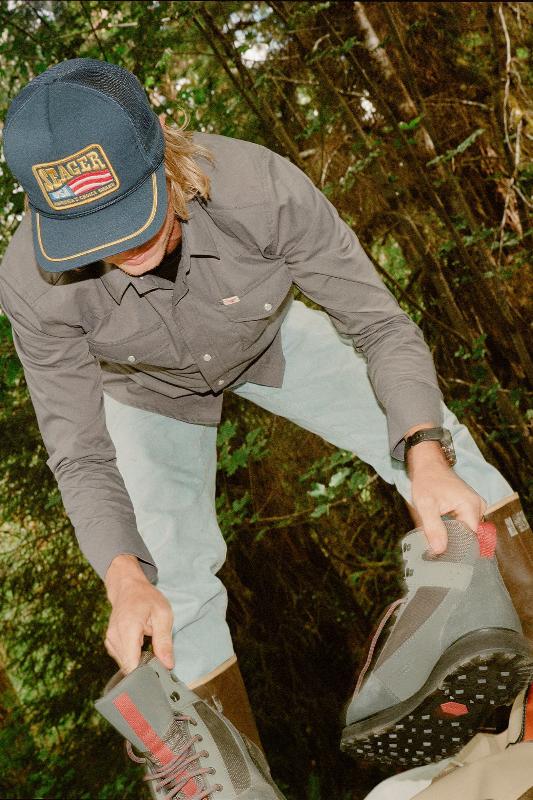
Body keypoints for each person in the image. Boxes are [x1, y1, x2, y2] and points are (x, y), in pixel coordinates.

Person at [1, 58, 531, 758]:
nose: (123, 249)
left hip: (267, 337)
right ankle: (220, 777)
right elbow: (80, 452)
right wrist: (122, 573)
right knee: (163, 578)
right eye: (92, 233)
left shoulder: (256, 187)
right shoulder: (33, 285)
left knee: (436, 443)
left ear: (163, 148)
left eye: (129, 214)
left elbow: (378, 325)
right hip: (146, 389)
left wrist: (423, 452)